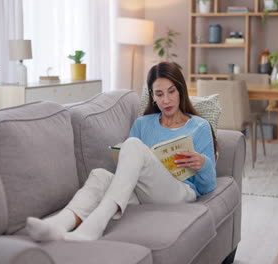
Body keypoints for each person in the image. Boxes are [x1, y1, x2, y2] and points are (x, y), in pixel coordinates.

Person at [26, 62, 217, 242]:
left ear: (181, 90)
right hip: (143, 193)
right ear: (152, 96)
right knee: (100, 175)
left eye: (171, 92)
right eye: (159, 94)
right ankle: (59, 225)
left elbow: (208, 186)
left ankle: (95, 225)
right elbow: (127, 172)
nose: (166, 100)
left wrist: (203, 163)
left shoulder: (199, 127)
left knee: (133, 144)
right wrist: (124, 154)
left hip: (180, 193)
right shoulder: (143, 123)